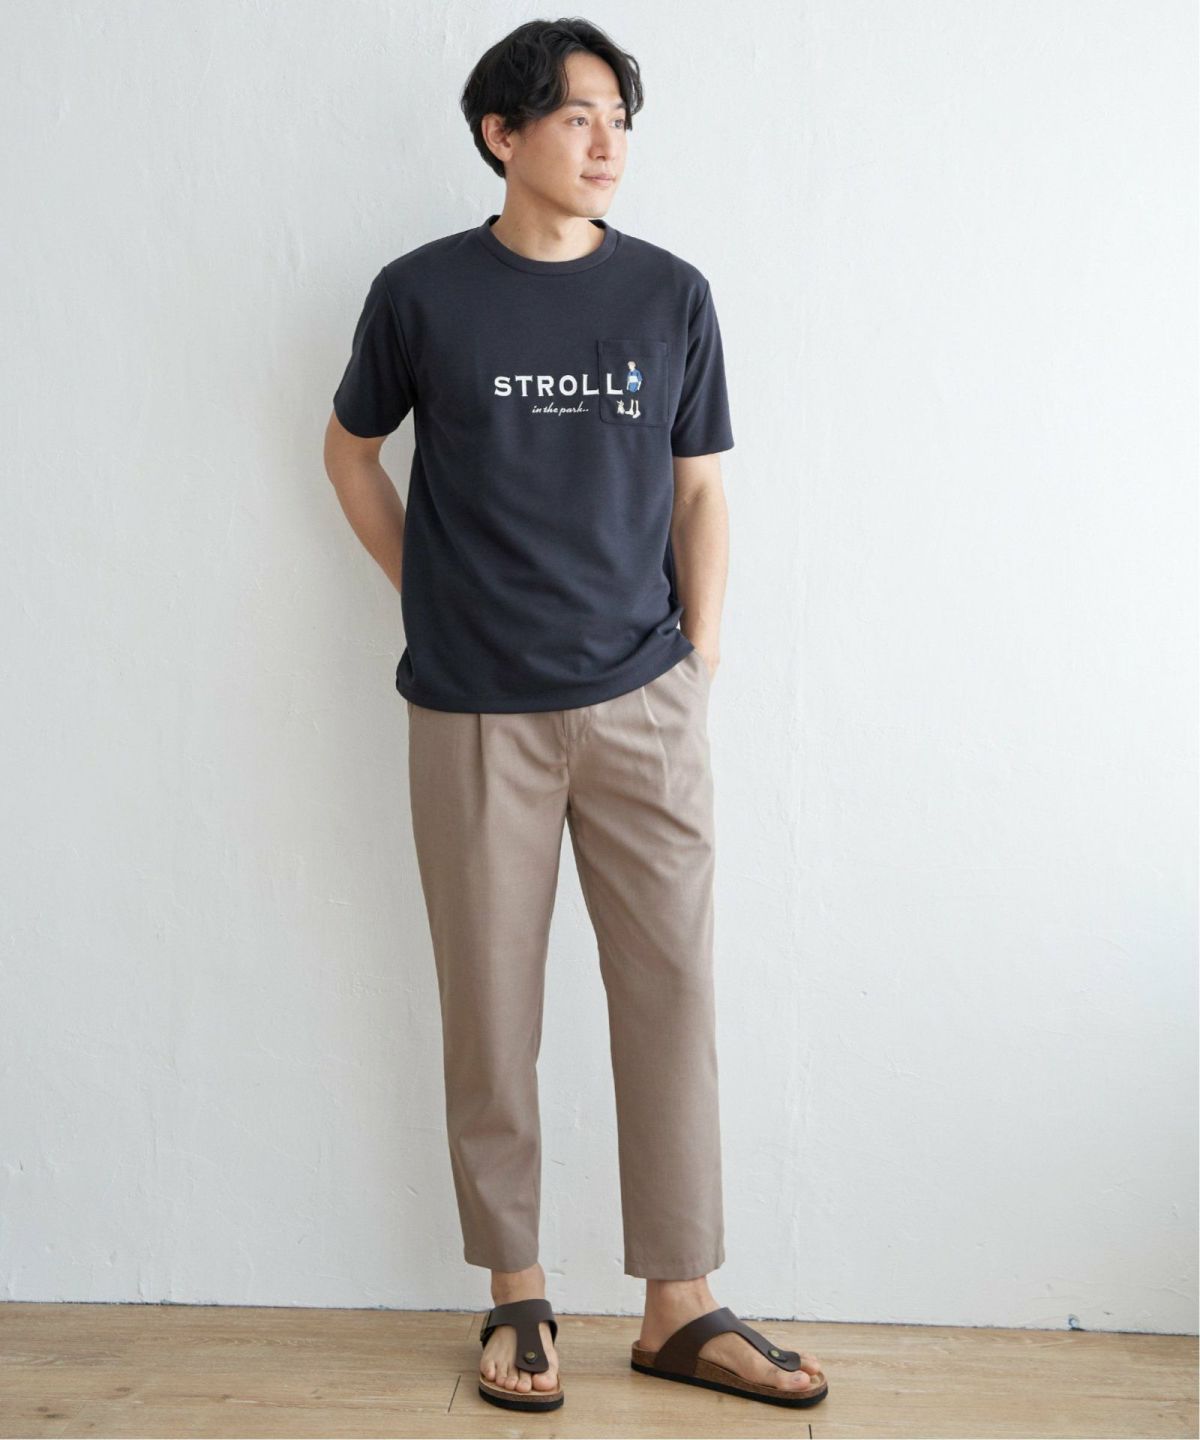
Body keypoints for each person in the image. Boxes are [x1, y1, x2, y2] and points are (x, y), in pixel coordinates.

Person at [323, 16, 827, 1416]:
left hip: (641, 700)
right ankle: (517, 1292)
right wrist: (433, 594)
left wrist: (697, 661)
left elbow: (701, 487)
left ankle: (681, 1304)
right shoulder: (422, 294)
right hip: (472, 708)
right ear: (503, 134)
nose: (607, 144)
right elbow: (349, 453)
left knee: (673, 994)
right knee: (491, 1007)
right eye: (577, 117)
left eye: (620, 119)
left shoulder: (669, 294)